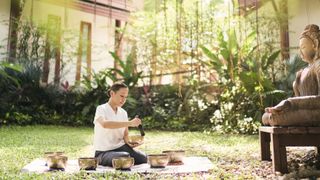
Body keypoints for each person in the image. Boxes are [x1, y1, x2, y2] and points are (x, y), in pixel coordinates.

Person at [262, 24, 320, 126]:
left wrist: (290, 102)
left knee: (273, 118)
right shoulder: (304, 71)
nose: (300, 52)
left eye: (303, 47)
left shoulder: (318, 65)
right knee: (266, 117)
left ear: (315, 45)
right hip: (306, 111)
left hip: (316, 112)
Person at [93, 82, 147, 166]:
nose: (123, 100)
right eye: (121, 96)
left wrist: (129, 143)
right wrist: (130, 123)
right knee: (124, 157)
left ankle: (125, 157)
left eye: (125, 97)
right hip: (104, 151)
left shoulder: (123, 113)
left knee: (144, 158)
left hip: (121, 148)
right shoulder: (101, 109)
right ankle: (100, 159)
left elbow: (125, 134)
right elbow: (105, 124)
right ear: (112, 93)